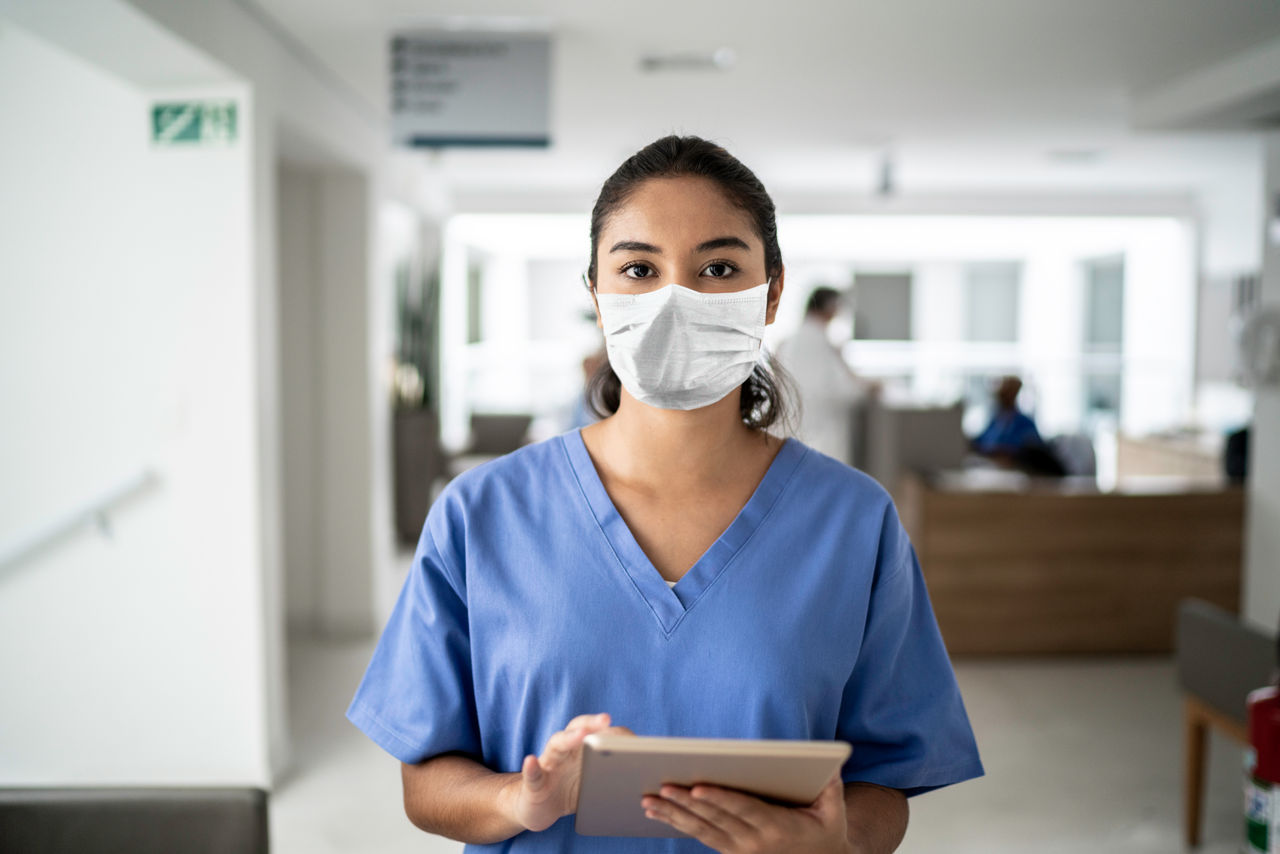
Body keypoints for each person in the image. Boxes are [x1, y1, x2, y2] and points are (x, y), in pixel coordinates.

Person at [347, 135, 983, 853]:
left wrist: (835, 846)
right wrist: (520, 799)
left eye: (717, 268)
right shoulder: (482, 514)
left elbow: (884, 783)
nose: (675, 299)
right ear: (596, 295)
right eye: (639, 269)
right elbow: (425, 782)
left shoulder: (853, 523)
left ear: (770, 292)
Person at [775, 287, 877, 466]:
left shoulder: (788, 343)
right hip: (823, 442)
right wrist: (868, 387)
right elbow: (845, 392)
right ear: (830, 307)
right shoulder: (823, 345)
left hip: (790, 441)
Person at [971, 375, 1065, 476]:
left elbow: (1033, 452)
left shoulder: (1025, 423)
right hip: (991, 470)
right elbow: (979, 443)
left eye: (1008, 392)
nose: (1003, 396)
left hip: (1017, 474)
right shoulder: (995, 421)